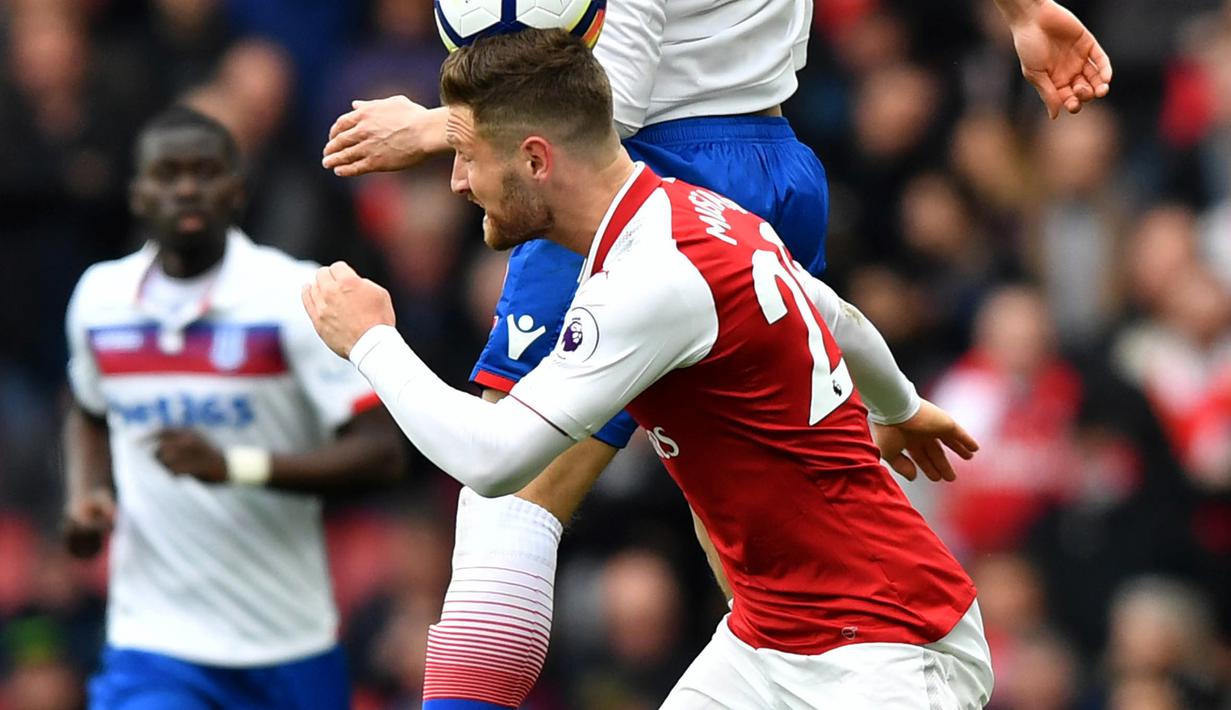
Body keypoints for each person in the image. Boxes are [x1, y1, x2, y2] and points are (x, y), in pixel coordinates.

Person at [306, 29, 993, 708]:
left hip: (887, 647)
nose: (457, 182)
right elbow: (833, 314)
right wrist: (899, 407)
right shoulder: (697, 213)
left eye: (466, 157)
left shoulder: (651, 281)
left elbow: (494, 462)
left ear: (536, 159)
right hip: (766, 646)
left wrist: (372, 342)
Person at [62, 106, 405, 709]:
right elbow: (88, 408)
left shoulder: (298, 297)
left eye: (206, 172)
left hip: (286, 641)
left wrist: (235, 467)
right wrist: (87, 495)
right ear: (138, 195)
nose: (188, 188)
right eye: (168, 175)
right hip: (154, 642)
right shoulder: (100, 299)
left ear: (238, 191)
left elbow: (382, 454)